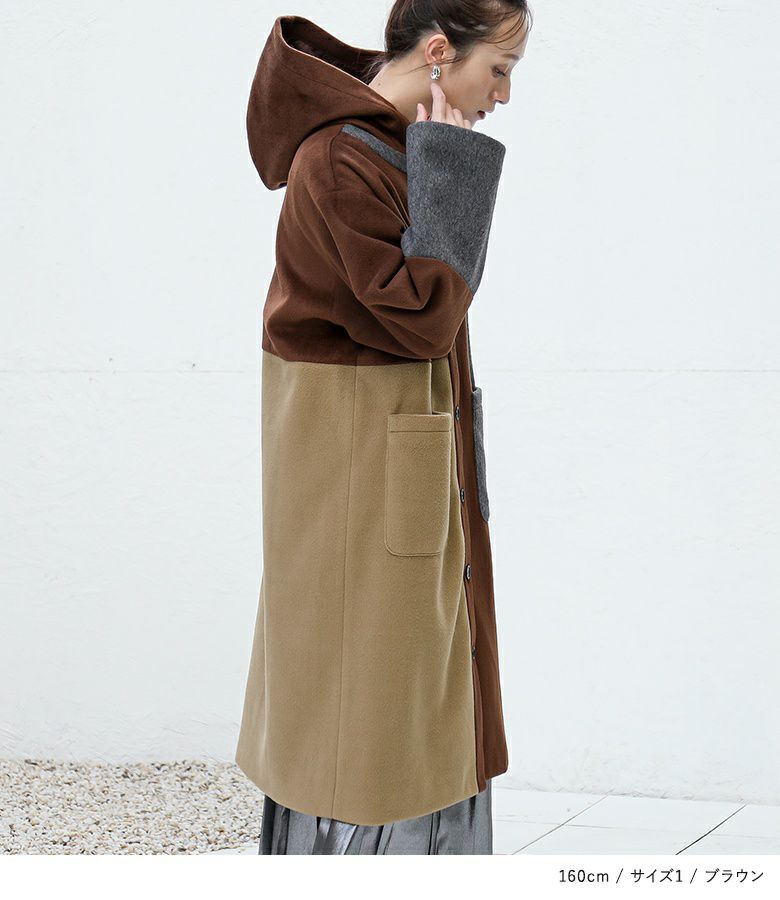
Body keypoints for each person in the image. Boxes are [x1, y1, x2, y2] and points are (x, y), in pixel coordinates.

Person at [235, 0, 532, 855]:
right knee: (370, 702)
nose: (503, 96)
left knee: (409, 690)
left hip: (392, 453)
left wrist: (440, 161)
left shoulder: (390, 147)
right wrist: (456, 167)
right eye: (498, 69)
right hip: (357, 464)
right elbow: (424, 318)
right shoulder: (341, 158)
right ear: (440, 52)